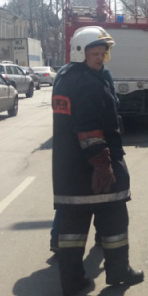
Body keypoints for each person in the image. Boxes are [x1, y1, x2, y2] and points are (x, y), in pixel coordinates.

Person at [51, 25, 144, 296]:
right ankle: (118, 272)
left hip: (70, 173)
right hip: (96, 170)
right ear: (81, 51)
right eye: (96, 53)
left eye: (103, 53)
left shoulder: (67, 76)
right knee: (114, 223)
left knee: (71, 231)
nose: (101, 58)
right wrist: (102, 164)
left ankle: (71, 280)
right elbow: (87, 126)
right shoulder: (87, 82)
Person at [49, 64, 118, 254]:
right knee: (100, 195)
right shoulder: (99, 74)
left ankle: (57, 239)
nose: (100, 58)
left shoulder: (64, 73)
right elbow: (109, 103)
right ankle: (102, 237)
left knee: (68, 200)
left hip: (69, 152)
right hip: (93, 147)